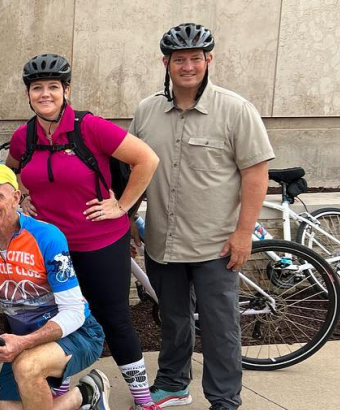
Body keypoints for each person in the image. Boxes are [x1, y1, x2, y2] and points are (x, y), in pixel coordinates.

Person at [129, 23, 274, 410]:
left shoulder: (236, 110)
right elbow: (134, 169)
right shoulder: (146, 111)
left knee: (219, 326)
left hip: (216, 245)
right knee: (173, 318)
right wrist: (128, 218)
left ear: (209, 60)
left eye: (196, 58)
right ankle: (174, 383)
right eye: (179, 59)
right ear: (166, 63)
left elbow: (255, 175)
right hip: (162, 241)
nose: (188, 66)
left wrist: (244, 234)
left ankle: (224, 399)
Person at [6, 53, 161, 410]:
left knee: (114, 319)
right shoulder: (23, 136)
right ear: (28, 94)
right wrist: (22, 197)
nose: (45, 94)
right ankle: (63, 388)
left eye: (53, 87)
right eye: (37, 88)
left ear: (67, 91)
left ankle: (142, 398)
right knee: (58, 321)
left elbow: (147, 159)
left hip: (100, 243)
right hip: (52, 248)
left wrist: (121, 206)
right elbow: (10, 171)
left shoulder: (90, 128)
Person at [0, 164, 111, 410]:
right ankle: (86, 394)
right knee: (7, 408)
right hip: (21, 337)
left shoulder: (47, 236)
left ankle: (82, 391)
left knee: (27, 366)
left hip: (78, 333)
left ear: (15, 197)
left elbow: (74, 311)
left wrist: (23, 343)